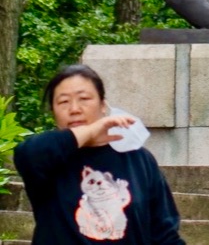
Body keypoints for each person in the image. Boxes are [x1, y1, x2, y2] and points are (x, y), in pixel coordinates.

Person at [15, 64, 184, 244]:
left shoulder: (138, 159)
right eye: (63, 102)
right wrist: (91, 130)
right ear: (53, 112)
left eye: (84, 98)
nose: (74, 109)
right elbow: (26, 154)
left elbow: (164, 233)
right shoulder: (47, 159)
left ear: (103, 105)